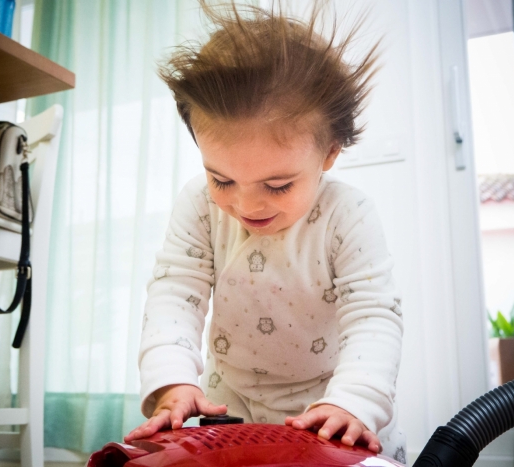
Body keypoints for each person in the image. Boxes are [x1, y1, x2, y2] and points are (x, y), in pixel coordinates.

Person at [125, 1, 406, 463]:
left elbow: (374, 316)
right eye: (222, 179)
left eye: (277, 185)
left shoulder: (348, 214)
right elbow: (175, 293)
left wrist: (354, 401)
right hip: (230, 406)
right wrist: (171, 380)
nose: (246, 204)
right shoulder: (198, 204)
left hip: (332, 410)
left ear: (330, 153)